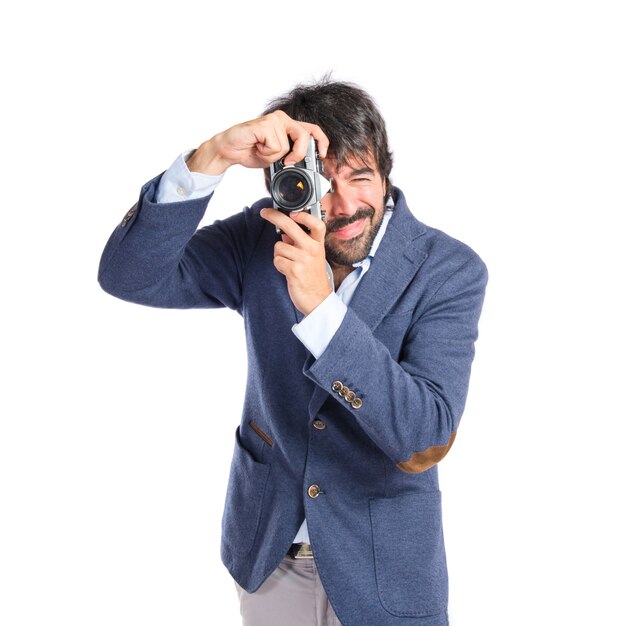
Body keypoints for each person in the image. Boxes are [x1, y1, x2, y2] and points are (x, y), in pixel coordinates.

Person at [98, 77, 488, 626]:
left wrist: (323, 312)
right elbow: (128, 276)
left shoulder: (449, 270)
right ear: (286, 181)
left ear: (387, 174)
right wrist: (208, 158)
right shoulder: (262, 239)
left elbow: (425, 435)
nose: (346, 204)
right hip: (270, 554)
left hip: (385, 568)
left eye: (361, 177)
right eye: (322, 182)